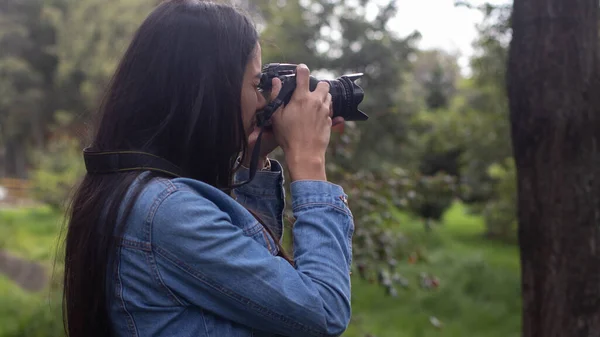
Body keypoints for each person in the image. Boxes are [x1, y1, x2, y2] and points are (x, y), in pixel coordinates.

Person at [62, 1, 354, 336]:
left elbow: (257, 290)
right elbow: (322, 311)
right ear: (210, 91)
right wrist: (309, 162)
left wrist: (253, 161)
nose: (262, 101)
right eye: (255, 84)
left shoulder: (134, 190)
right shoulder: (166, 211)